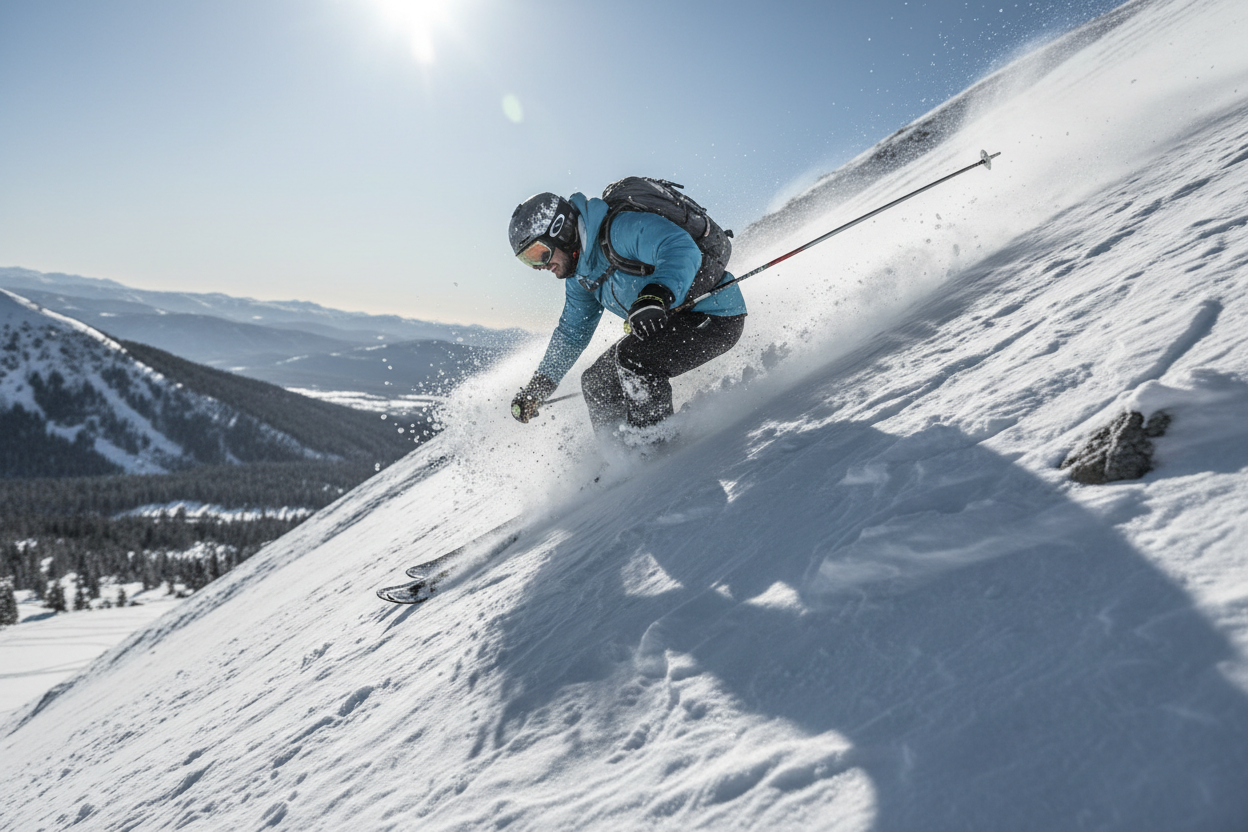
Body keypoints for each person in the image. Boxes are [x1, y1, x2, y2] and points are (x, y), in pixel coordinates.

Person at [508, 189, 747, 445]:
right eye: (528, 261)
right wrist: (540, 385)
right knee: (595, 381)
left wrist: (656, 294)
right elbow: (571, 334)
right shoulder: (581, 277)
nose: (540, 267)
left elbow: (679, 246)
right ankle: (618, 457)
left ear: (561, 230)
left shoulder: (621, 229)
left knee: (633, 360)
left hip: (713, 315)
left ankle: (653, 449)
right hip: (665, 324)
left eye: (539, 254)